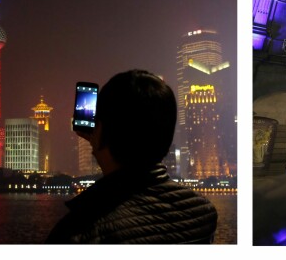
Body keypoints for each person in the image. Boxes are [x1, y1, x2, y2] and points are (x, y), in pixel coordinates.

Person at [47, 70, 218, 244]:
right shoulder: (203, 212)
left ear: (100, 128)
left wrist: (100, 139)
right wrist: (101, 135)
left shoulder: (78, 231)